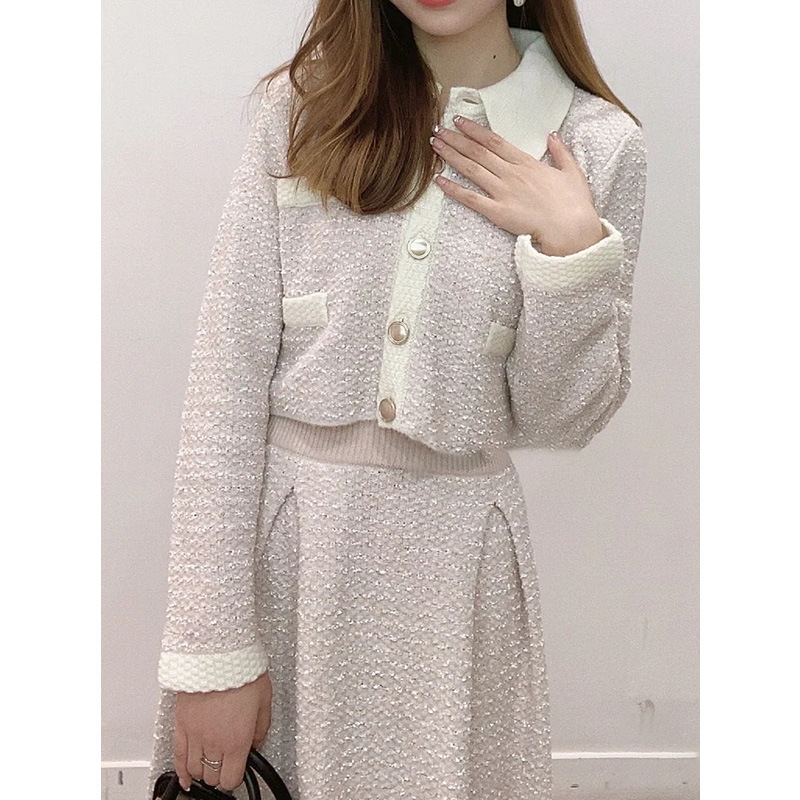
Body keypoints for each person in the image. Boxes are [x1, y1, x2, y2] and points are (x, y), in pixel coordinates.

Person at [146, 1, 648, 798]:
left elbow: (560, 419)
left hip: (458, 586)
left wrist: (571, 246)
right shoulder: (303, 109)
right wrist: (213, 652)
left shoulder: (596, 143)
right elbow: (223, 388)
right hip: (292, 568)